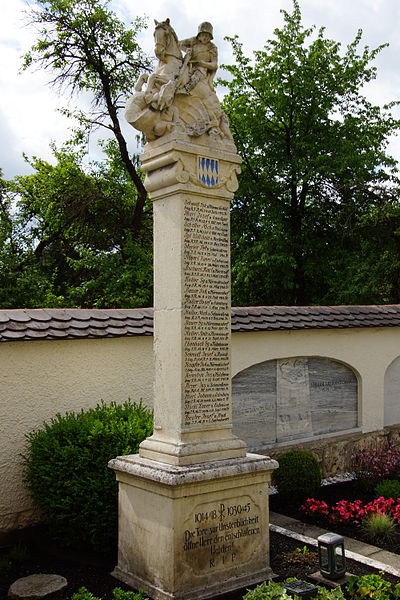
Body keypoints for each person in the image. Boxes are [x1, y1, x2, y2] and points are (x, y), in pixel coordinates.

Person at [177, 22, 218, 95]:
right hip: (187, 64)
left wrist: (203, 64)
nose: (205, 38)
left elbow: (214, 65)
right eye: (203, 35)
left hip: (201, 69)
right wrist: (186, 49)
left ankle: (186, 90)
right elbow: (178, 43)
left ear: (210, 37)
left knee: (197, 74)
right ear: (199, 36)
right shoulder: (193, 40)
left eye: (207, 36)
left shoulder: (212, 47)